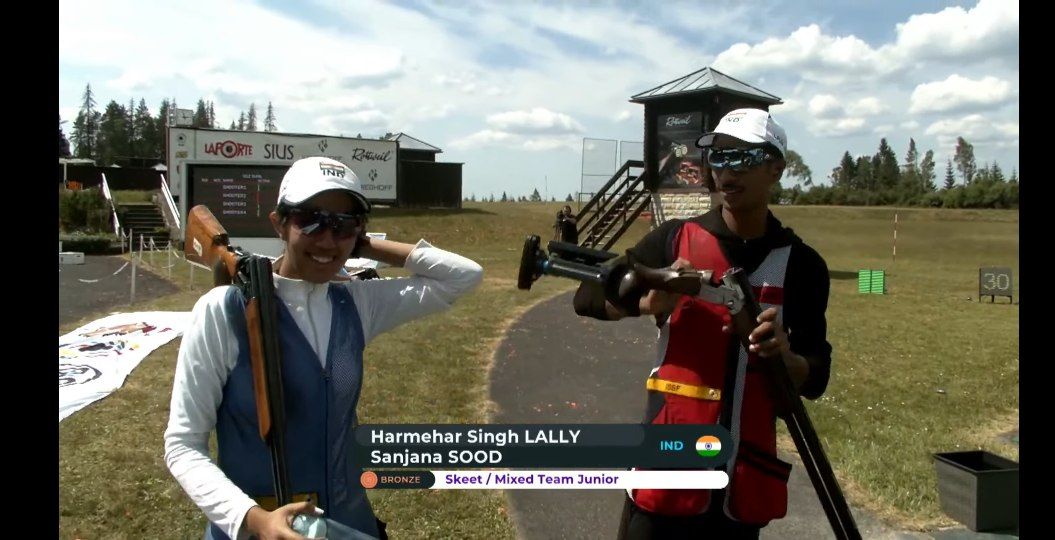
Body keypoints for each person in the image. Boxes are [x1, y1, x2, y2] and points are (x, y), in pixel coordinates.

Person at [164, 156, 484, 540]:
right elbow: (182, 445)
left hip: (350, 526)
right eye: (309, 220)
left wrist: (362, 245)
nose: (327, 239)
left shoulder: (357, 302)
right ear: (278, 223)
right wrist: (252, 519)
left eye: (343, 224)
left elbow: (463, 276)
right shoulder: (224, 310)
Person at [573, 108, 832, 539]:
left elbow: (816, 373)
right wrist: (646, 302)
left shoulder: (803, 265)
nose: (727, 170)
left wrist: (788, 359)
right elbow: (588, 296)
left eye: (744, 157)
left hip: (743, 481)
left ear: (776, 169)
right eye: (719, 157)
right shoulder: (674, 239)